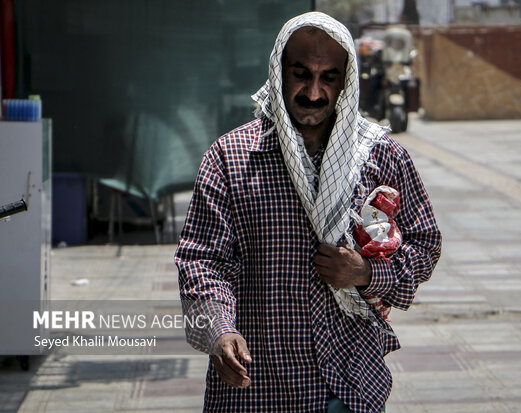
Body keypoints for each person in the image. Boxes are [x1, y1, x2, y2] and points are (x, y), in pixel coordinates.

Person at [175, 11, 441, 413]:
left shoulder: (381, 156)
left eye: (328, 77)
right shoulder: (230, 159)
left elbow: (425, 244)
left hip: (350, 389)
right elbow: (201, 261)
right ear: (278, 71)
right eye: (301, 73)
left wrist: (368, 273)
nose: (313, 92)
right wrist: (219, 331)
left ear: (346, 80)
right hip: (257, 390)